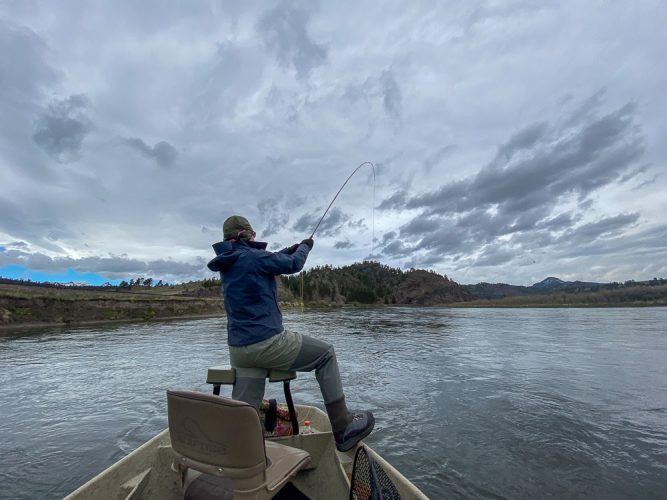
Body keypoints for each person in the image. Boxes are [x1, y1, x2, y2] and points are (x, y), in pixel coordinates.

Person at [207, 215, 375, 452]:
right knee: (326, 354)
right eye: (253, 234)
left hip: (239, 351)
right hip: (266, 342)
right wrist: (305, 247)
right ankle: (343, 427)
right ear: (244, 234)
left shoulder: (229, 262)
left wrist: (290, 248)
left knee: (245, 411)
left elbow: (271, 259)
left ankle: (240, 453)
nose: (255, 238)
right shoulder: (254, 258)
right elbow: (293, 265)